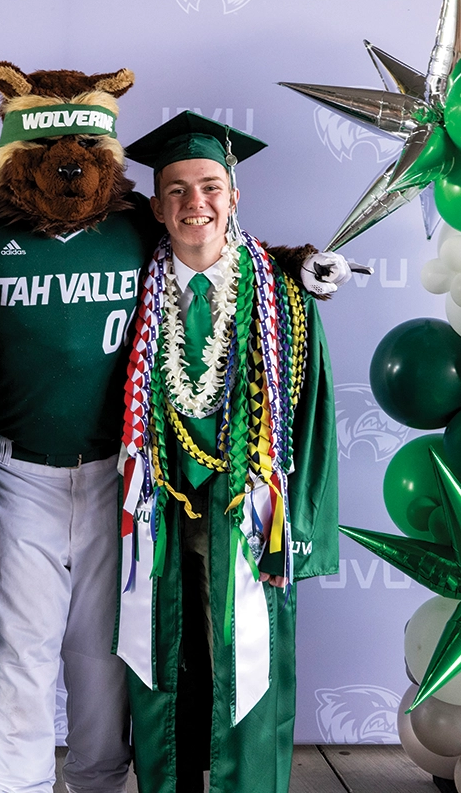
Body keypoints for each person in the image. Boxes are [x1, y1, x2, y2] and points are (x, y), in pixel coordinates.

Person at [116, 112, 342, 793]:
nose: (196, 203)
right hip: (158, 512)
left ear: (234, 197)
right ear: (156, 207)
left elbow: (311, 419)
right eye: (177, 190)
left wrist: (296, 535)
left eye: (210, 187)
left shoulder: (285, 297)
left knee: (247, 662)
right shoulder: (129, 290)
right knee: (165, 658)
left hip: (249, 516)